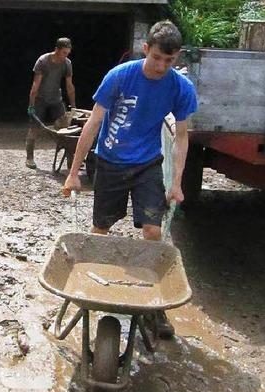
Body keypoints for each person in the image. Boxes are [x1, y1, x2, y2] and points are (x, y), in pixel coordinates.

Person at [62, 20, 198, 339]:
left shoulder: (180, 87)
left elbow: (181, 137)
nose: (162, 66)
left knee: (152, 230)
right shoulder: (120, 76)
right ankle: (92, 291)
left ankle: (154, 307)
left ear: (176, 57)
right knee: (100, 231)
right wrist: (73, 173)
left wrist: (177, 182)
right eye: (157, 58)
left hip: (147, 164)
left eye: (170, 60)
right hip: (110, 161)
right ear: (146, 49)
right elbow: (93, 124)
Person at [25, 37, 76, 169]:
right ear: (56, 50)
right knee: (34, 128)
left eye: (68, 53)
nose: (66, 55)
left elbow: (69, 86)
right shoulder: (43, 61)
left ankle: (71, 159)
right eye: (64, 52)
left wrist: (74, 107)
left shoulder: (67, 63)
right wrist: (31, 105)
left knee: (66, 129)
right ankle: (29, 158)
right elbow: (35, 85)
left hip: (56, 99)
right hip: (40, 99)